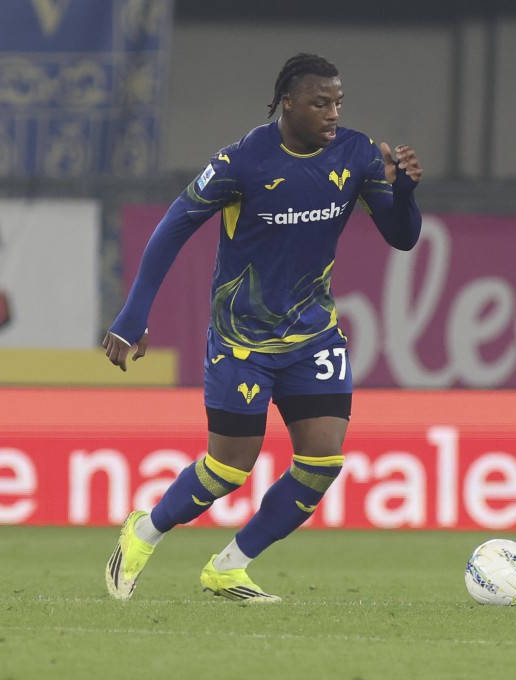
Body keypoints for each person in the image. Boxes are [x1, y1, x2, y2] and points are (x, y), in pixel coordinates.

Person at [102, 53, 423, 603]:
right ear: (288, 104)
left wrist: (407, 193)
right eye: (320, 103)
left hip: (314, 335)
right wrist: (133, 316)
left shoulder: (359, 154)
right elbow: (172, 229)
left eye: (338, 102)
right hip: (242, 340)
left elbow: (402, 236)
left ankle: (230, 566)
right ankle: (144, 531)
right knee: (229, 469)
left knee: (322, 463)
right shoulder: (241, 161)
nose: (333, 113)